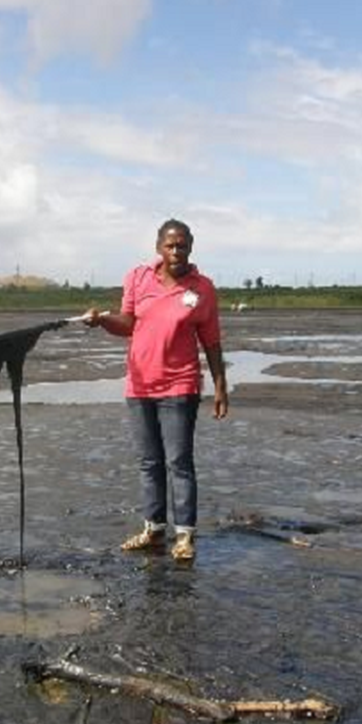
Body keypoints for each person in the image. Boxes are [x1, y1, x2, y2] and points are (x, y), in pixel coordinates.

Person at [84, 219, 228, 562]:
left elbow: (211, 342)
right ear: (158, 247)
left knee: (179, 461)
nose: (176, 251)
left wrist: (221, 386)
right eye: (170, 245)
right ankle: (153, 530)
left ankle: (185, 536)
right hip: (139, 385)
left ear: (191, 246)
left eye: (182, 245)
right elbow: (128, 323)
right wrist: (102, 319)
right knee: (149, 462)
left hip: (180, 385)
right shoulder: (138, 277)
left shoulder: (202, 289)